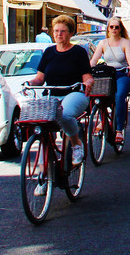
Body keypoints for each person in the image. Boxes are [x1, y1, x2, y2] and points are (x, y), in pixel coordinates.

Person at [26, 15, 93, 167]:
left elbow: (87, 76)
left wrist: (88, 83)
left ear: (70, 34)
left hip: (74, 93)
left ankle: (76, 144)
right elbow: (40, 79)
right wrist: (29, 83)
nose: (59, 34)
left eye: (63, 31)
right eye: (56, 31)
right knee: (41, 126)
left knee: (64, 114)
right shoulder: (49, 52)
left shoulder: (78, 52)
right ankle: (44, 175)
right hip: (52, 94)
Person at [90, 17, 130, 144]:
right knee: (97, 95)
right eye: (112, 27)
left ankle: (119, 130)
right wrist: (86, 72)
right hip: (107, 75)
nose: (114, 29)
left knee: (119, 96)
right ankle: (101, 119)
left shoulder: (125, 42)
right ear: (108, 29)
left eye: (117, 27)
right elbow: (94, 60)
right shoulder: (102, 43)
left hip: (121, 74)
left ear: (120, 29)